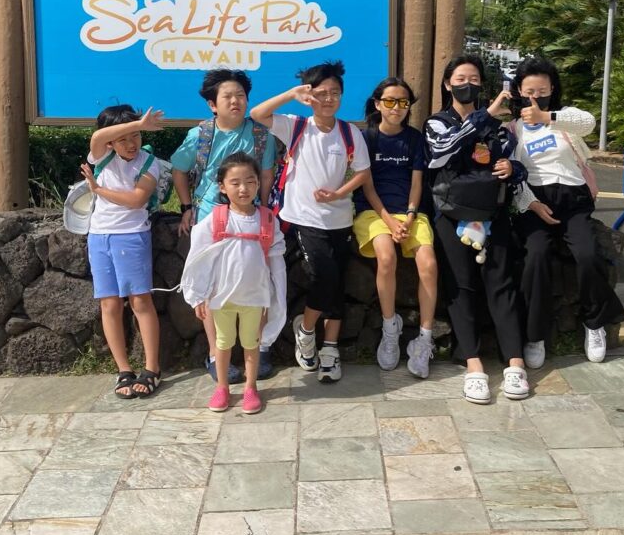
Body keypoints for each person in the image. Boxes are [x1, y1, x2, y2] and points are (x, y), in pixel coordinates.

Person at [250, 60, 370, 384]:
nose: (328, 99)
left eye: (335, 93)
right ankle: (305, 331)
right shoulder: (296, 126)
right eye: (321, 93)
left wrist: (339, 193)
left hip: (340, 219)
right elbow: (258, 114)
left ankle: (329, 348)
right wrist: (291, 94)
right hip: (303, 219)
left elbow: (362, 172)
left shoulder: (350, 132)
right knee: (326, 277)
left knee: (337, 283)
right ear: (309, 96)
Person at [509, 57, 624, 366]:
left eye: (543, 91)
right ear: (519, 91)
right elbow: (512, 174)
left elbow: (588, 123)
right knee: (535, 257)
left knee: (588, 255)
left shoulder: (563, 119)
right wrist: (531, 203)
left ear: (552, 90)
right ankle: (535, 334)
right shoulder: (513, 130)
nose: (535, 97)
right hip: (534, 201)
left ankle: (594, 323)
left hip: (573, 199)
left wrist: (546, 116)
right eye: (529, 91)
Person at [426, 54, 530, 405]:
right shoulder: (437, 123)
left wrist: (512, 169)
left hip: (491, 213)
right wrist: (484, 115)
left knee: (501, 284)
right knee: (461, 287)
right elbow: (441, 152)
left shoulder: (498, 127)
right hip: (451, 215)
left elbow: (515, 164)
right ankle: (473, 364)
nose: (467, 85)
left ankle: (515, 362)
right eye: (460, 79)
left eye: (473, 79)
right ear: (447, 84)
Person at [170, 70, 278, 384]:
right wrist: (187, 207)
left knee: (259, 281)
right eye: (228, 96)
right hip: (211, 219)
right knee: (213, 288)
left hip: (250, 218)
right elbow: (179, 170)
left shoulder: (261, 135)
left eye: (240, 95)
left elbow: (266, 175)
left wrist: (265, 210)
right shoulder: (200, 135)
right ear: (212, 104)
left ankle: (258, 346)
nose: (235, 101)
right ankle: (217, 354)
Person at [181, 152, 285, 415]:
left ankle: (251, 388)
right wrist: (197, 295)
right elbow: (198, 258)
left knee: (252, 343)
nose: (243, 188)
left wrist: (276, 296)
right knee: (223, 343)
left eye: (250, 181)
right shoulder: (215, 219)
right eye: (235, 182)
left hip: (255, 296)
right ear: (222, 186)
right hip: (221, 297)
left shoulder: (267, 219)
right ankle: (222, 387)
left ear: (258, 184)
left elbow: (276, 262)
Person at [353, 77, 438, 377]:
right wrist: (389, 222)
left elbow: (417, 183)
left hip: (410, 213)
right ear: (378, 104)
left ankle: (424, 339)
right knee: (386, 256)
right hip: (373, 212)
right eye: (389, 101)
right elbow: (367, 187)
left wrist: (410, 217)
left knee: (428, 263)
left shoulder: (415, 139)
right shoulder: (366, 138)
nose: (396, 107)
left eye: (403, 102)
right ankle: (391, 328)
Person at [80, 105, 164, 399]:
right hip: (99, 236)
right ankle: (124, 370)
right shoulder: (101, 156)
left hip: (132, 236)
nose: (131, 143)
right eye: (124, 138)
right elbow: (97, 137)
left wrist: (98, 190)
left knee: (140, 300)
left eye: (136, 136)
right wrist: (137, 123)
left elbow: (137, 200)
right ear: (111, 142)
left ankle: (152, 369)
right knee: (109, 304)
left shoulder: (149, 162)